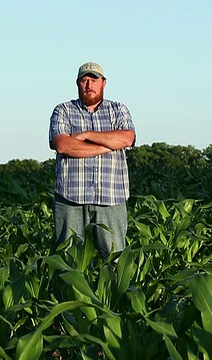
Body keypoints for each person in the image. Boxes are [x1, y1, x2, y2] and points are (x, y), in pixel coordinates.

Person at [48, 61, 136, 261]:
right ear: (77, 83)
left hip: (111, 198)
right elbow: (63, 145)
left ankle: (113, 294)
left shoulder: (118, 110)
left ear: (103, 83)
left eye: (93, 80)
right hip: (71, 199)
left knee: (115, 262)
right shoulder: (63, 110)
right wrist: (106, 145)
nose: (89, 84)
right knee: (68, 262)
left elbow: (127, 138)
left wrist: (85, 134)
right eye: (84, 80)